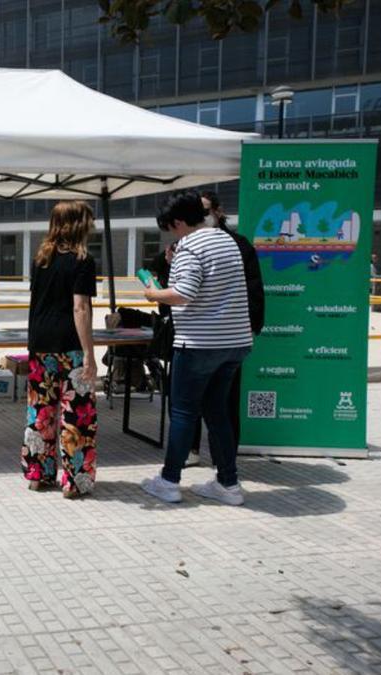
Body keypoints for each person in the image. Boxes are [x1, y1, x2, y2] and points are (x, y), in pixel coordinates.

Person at [142, 191, 252, 505]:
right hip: (235, 342)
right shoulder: (225, 239)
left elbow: (184, 294)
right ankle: (228, 484)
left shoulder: (189, 246)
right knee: (217, 412)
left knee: (183, 413)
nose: (171, 234)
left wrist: (154, 293)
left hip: (200, 344)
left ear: (178, 222)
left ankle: (169, 481)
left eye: (170, 227)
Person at [22, 201, 99, 499]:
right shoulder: (83, 260)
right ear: (78, 224)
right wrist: (89, 353)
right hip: (70, 344)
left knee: (40, 410)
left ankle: (38, 474)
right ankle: (73, 481)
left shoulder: (40, 259)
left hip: (40, 343)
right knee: (77, 415)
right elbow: (80, 307)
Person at [202, 191, 265, 442]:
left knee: (227, 399)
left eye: (206, 211)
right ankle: (190, 452)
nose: (202, 218)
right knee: (189, 402)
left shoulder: (239, 245)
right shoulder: (185, 243)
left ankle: (225, 461)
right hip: (195, 337)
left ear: (218, 211)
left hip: (228, 336)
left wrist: (251, 325)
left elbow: (253, 287)